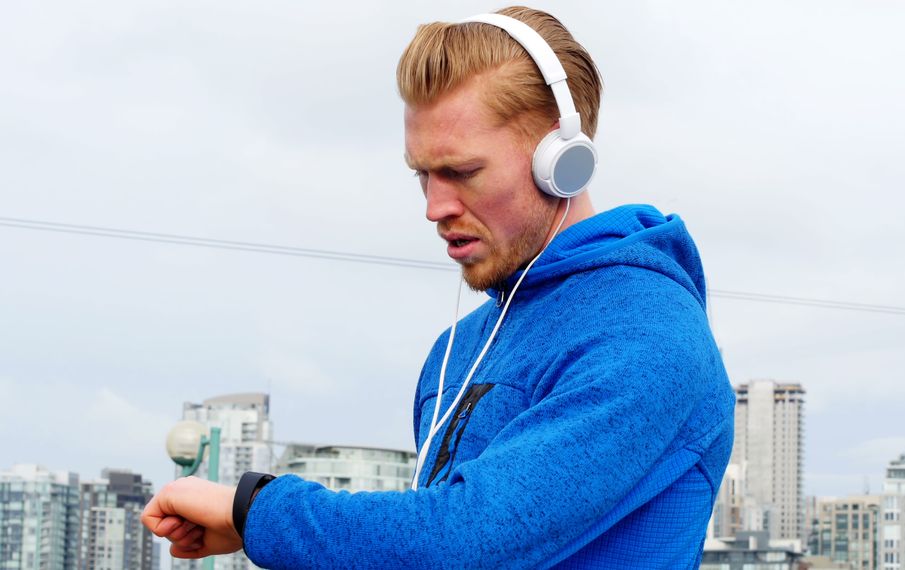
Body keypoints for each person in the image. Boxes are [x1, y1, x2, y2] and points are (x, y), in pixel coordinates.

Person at [142, 6, 734, 568]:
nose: (434, 207)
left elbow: (466, 542)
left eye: (461, 172)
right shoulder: (458, 345)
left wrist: (254, 510)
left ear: (562, 158)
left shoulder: (650, 334)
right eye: (421, 173)